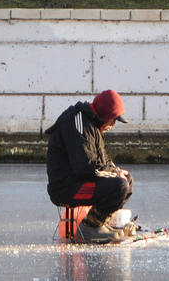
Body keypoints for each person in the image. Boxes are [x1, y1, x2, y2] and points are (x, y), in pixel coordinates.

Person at [45, 89, 133, 242]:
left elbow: (102, 160)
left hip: (79, 181)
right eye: (113, 119)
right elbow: (86, 167)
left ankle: (100, 223)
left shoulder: (93, 125)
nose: (113, 124)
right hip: (66, 188)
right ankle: (90, 226)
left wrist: (116, 170)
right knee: (120, 186)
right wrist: (115, 175)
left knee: (127, 180)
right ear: (105, 114)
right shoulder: (79, 124)